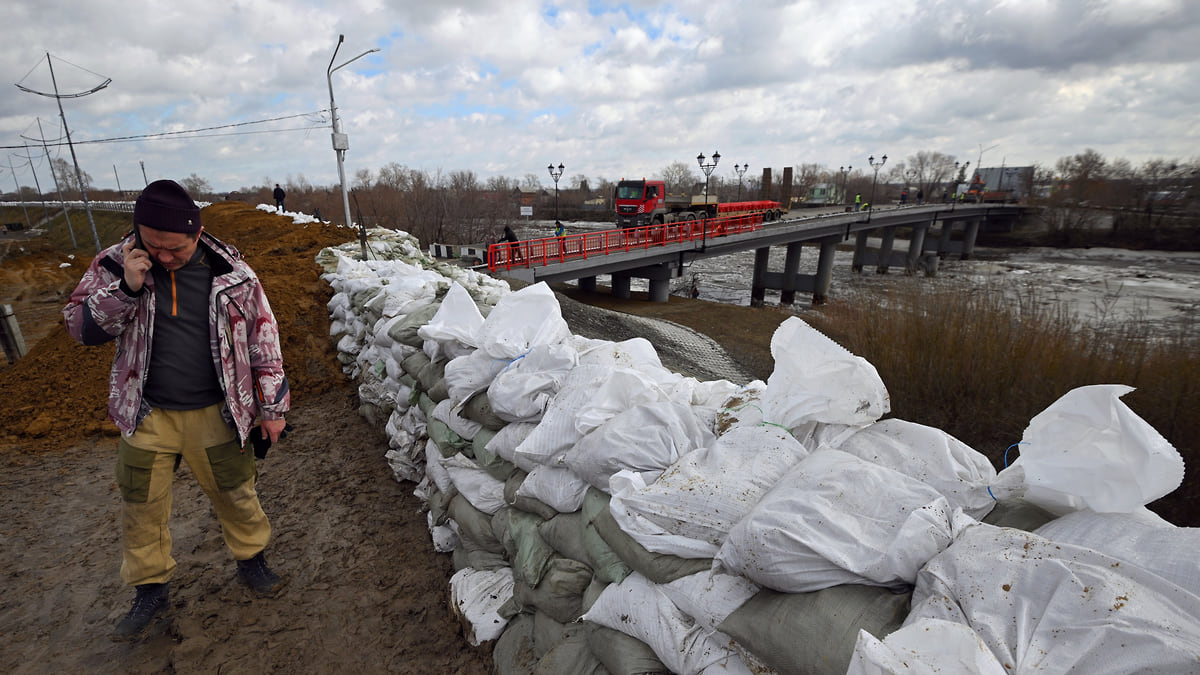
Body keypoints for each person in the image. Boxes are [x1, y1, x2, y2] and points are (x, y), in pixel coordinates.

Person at [63, 179, 290, 642]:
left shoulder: (233, 274)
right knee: (140, 503)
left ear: (197, 233)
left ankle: (252, 559)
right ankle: (150, 588)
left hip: (216, 411)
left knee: (235, 492)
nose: (163, 257)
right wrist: (126, 288)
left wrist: (273, 406)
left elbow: (264, 342)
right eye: (153, 246)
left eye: (174, 249)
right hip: (147, 414)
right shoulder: (113, 265)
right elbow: (79, 327)